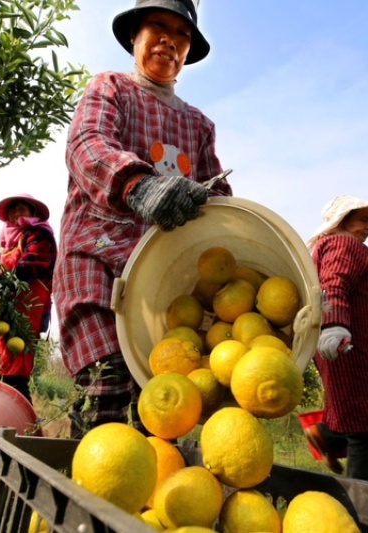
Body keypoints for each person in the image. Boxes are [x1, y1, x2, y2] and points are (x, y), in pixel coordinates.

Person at [53, 0, 232, 438]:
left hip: (162, 284)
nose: (170, 40)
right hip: (98, 263)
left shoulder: (198, 125)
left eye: (182, 34)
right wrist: (138, 185)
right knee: (105, 392)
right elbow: (86, 145)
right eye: (158, 26)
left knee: (161, 411)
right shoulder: (110, 88)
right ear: (134, 35)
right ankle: (86, 495)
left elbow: (217, 196)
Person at [303, 195, 368, 480]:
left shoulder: (337, 246)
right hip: (346, 346)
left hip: (353, 348)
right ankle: (360, 502)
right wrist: (334, 325)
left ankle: (323, 436)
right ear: (343, 220)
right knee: (362, 430)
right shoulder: (344, 244)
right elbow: (334, 283)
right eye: (363, 220)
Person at [0, 193, 57, 404]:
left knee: (15, 367)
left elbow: (30, 265)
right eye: (12, 210)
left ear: (33, 212)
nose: (16, 213)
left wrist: (0, 279)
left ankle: (23, 425)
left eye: (22, 208)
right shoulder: (7, 246)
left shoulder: (39, 236)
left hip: (26, 311)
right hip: (3, 312)